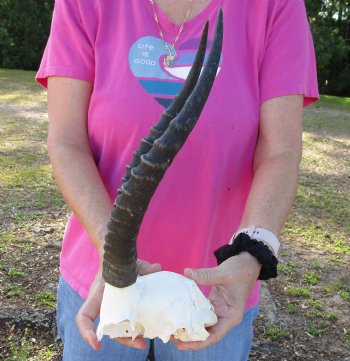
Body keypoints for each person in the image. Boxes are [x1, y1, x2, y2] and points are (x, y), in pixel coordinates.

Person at [36, 0, 319, 360]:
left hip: (215, 293)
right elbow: (66, 141)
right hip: (106, 283)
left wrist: (252, 254)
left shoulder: (275, 6)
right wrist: (114, 254)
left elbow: (280, 152)